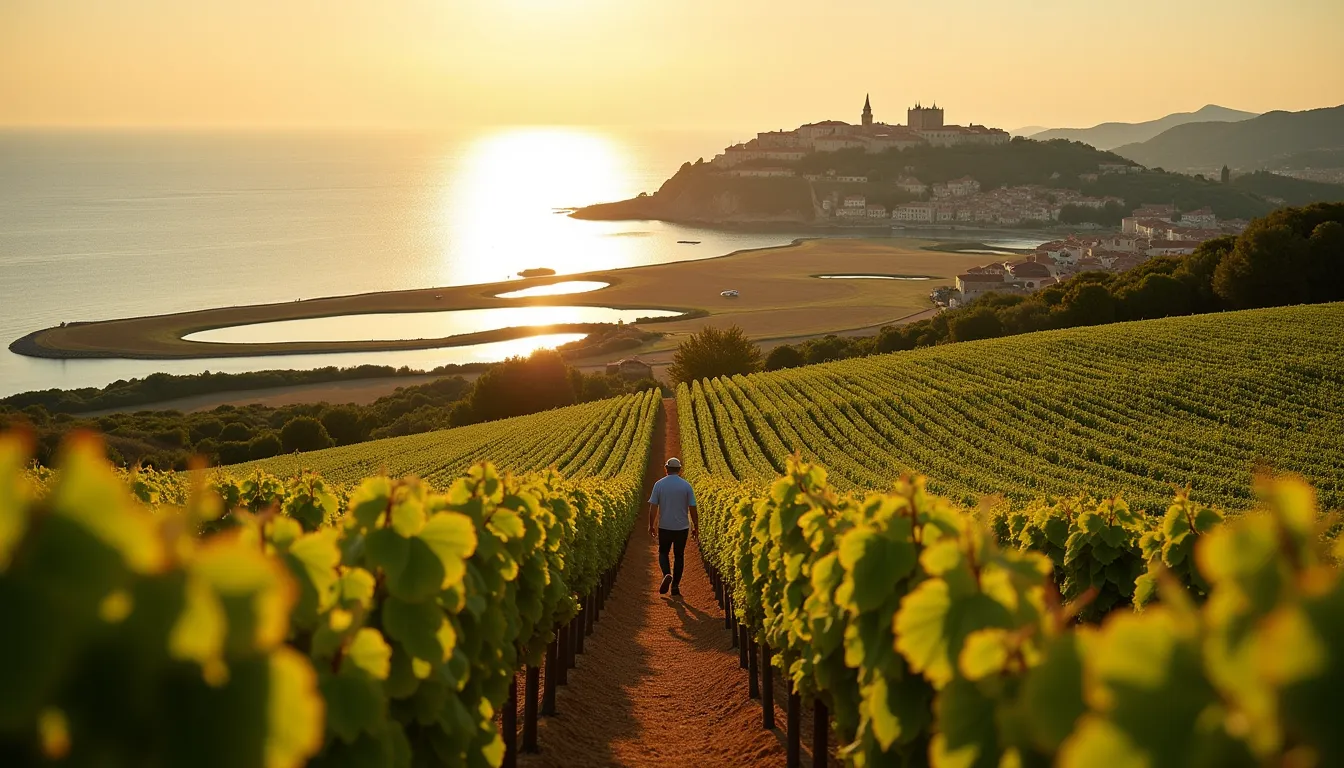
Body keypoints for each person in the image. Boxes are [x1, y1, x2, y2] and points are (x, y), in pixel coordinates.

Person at [647, 456, 698, 597]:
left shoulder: (659, 484)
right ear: (680, 470)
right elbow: (692, 507)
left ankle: (666, 574)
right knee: (679, 555)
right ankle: (675, 586)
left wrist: (651, 525)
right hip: (682, 527)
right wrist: (696, 526)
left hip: (665, 526)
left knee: (663, 552)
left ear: (666, 469)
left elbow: (653, 507)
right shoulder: (686, 486)